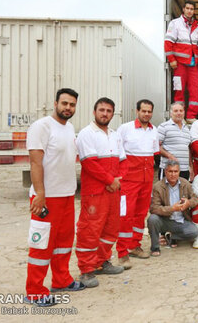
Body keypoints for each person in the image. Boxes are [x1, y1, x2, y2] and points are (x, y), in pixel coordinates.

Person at [24, 88, 83, 307]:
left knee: (64, 243)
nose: (68, 108)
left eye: (72, 105)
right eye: (65, 103)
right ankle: (35, 291)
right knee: (42, 246)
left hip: (67, 195)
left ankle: (61, 279)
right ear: (55, 103)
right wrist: (40, 194)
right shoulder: (41, 127)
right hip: (46, 198)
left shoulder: (69, 127)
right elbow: (35, 163)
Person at [75, 97, 128, 288]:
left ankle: (102, 261)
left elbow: (123, 161)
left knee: (110, 228)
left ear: (113, 114)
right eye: (101, 110)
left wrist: (118, 180)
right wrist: (109, 181)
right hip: (95, 192)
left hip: (113, 190)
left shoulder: (115, 135)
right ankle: (87, 270)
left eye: (108, 111)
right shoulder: (86, 134)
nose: (105, 113)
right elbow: (89, 163)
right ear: (94, 111)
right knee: (90, 230)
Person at [116, 99, 159, 268]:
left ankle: (135, 245)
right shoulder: (125, 129)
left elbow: (153, 154)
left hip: (146, 180)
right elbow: (118, 154)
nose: (146, 114)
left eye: (149, 111)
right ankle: (122, 252)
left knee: (141, 214)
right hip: (128, 181)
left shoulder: (153, 130)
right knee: (126, 215)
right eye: (144, 111)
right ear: (137, 111)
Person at [147, 160, 198, 256]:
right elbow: (154, 208)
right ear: (165, 172)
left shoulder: (185, 183)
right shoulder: (158, 186)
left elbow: (195, 199)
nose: (173, 174)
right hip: (165, 220)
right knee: (152, 219)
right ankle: (155, 247)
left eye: (175, 171)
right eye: (170, 171)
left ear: (179, 172)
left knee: (194, 232)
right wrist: (172, 209)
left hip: (180, 220)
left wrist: (188, 203)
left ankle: (171, 236)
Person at [164, 0, 198, 122]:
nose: (189, 11)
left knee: (195, 90)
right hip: (179, 63)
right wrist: (171, 60)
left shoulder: (197, 26)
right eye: (187, 8)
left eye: (192, 9)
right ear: (183, 9)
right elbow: (168, 43)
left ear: (194, 11)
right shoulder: (175, 23)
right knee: (179, 90)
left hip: (193, 64)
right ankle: (179, 116)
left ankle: (191, 116)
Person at [157, 102, 191, 181]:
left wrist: (191, 167)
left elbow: (187, 149)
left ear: (184, 113)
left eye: (181, 111)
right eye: (176, 111)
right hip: (169, 170)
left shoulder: (187, 129)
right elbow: (156, 146)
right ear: (170, 113)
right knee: (166, 193)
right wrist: (169, 156)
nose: (179, 113)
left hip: (184, 170)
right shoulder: (163, 127)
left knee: (183, 193)